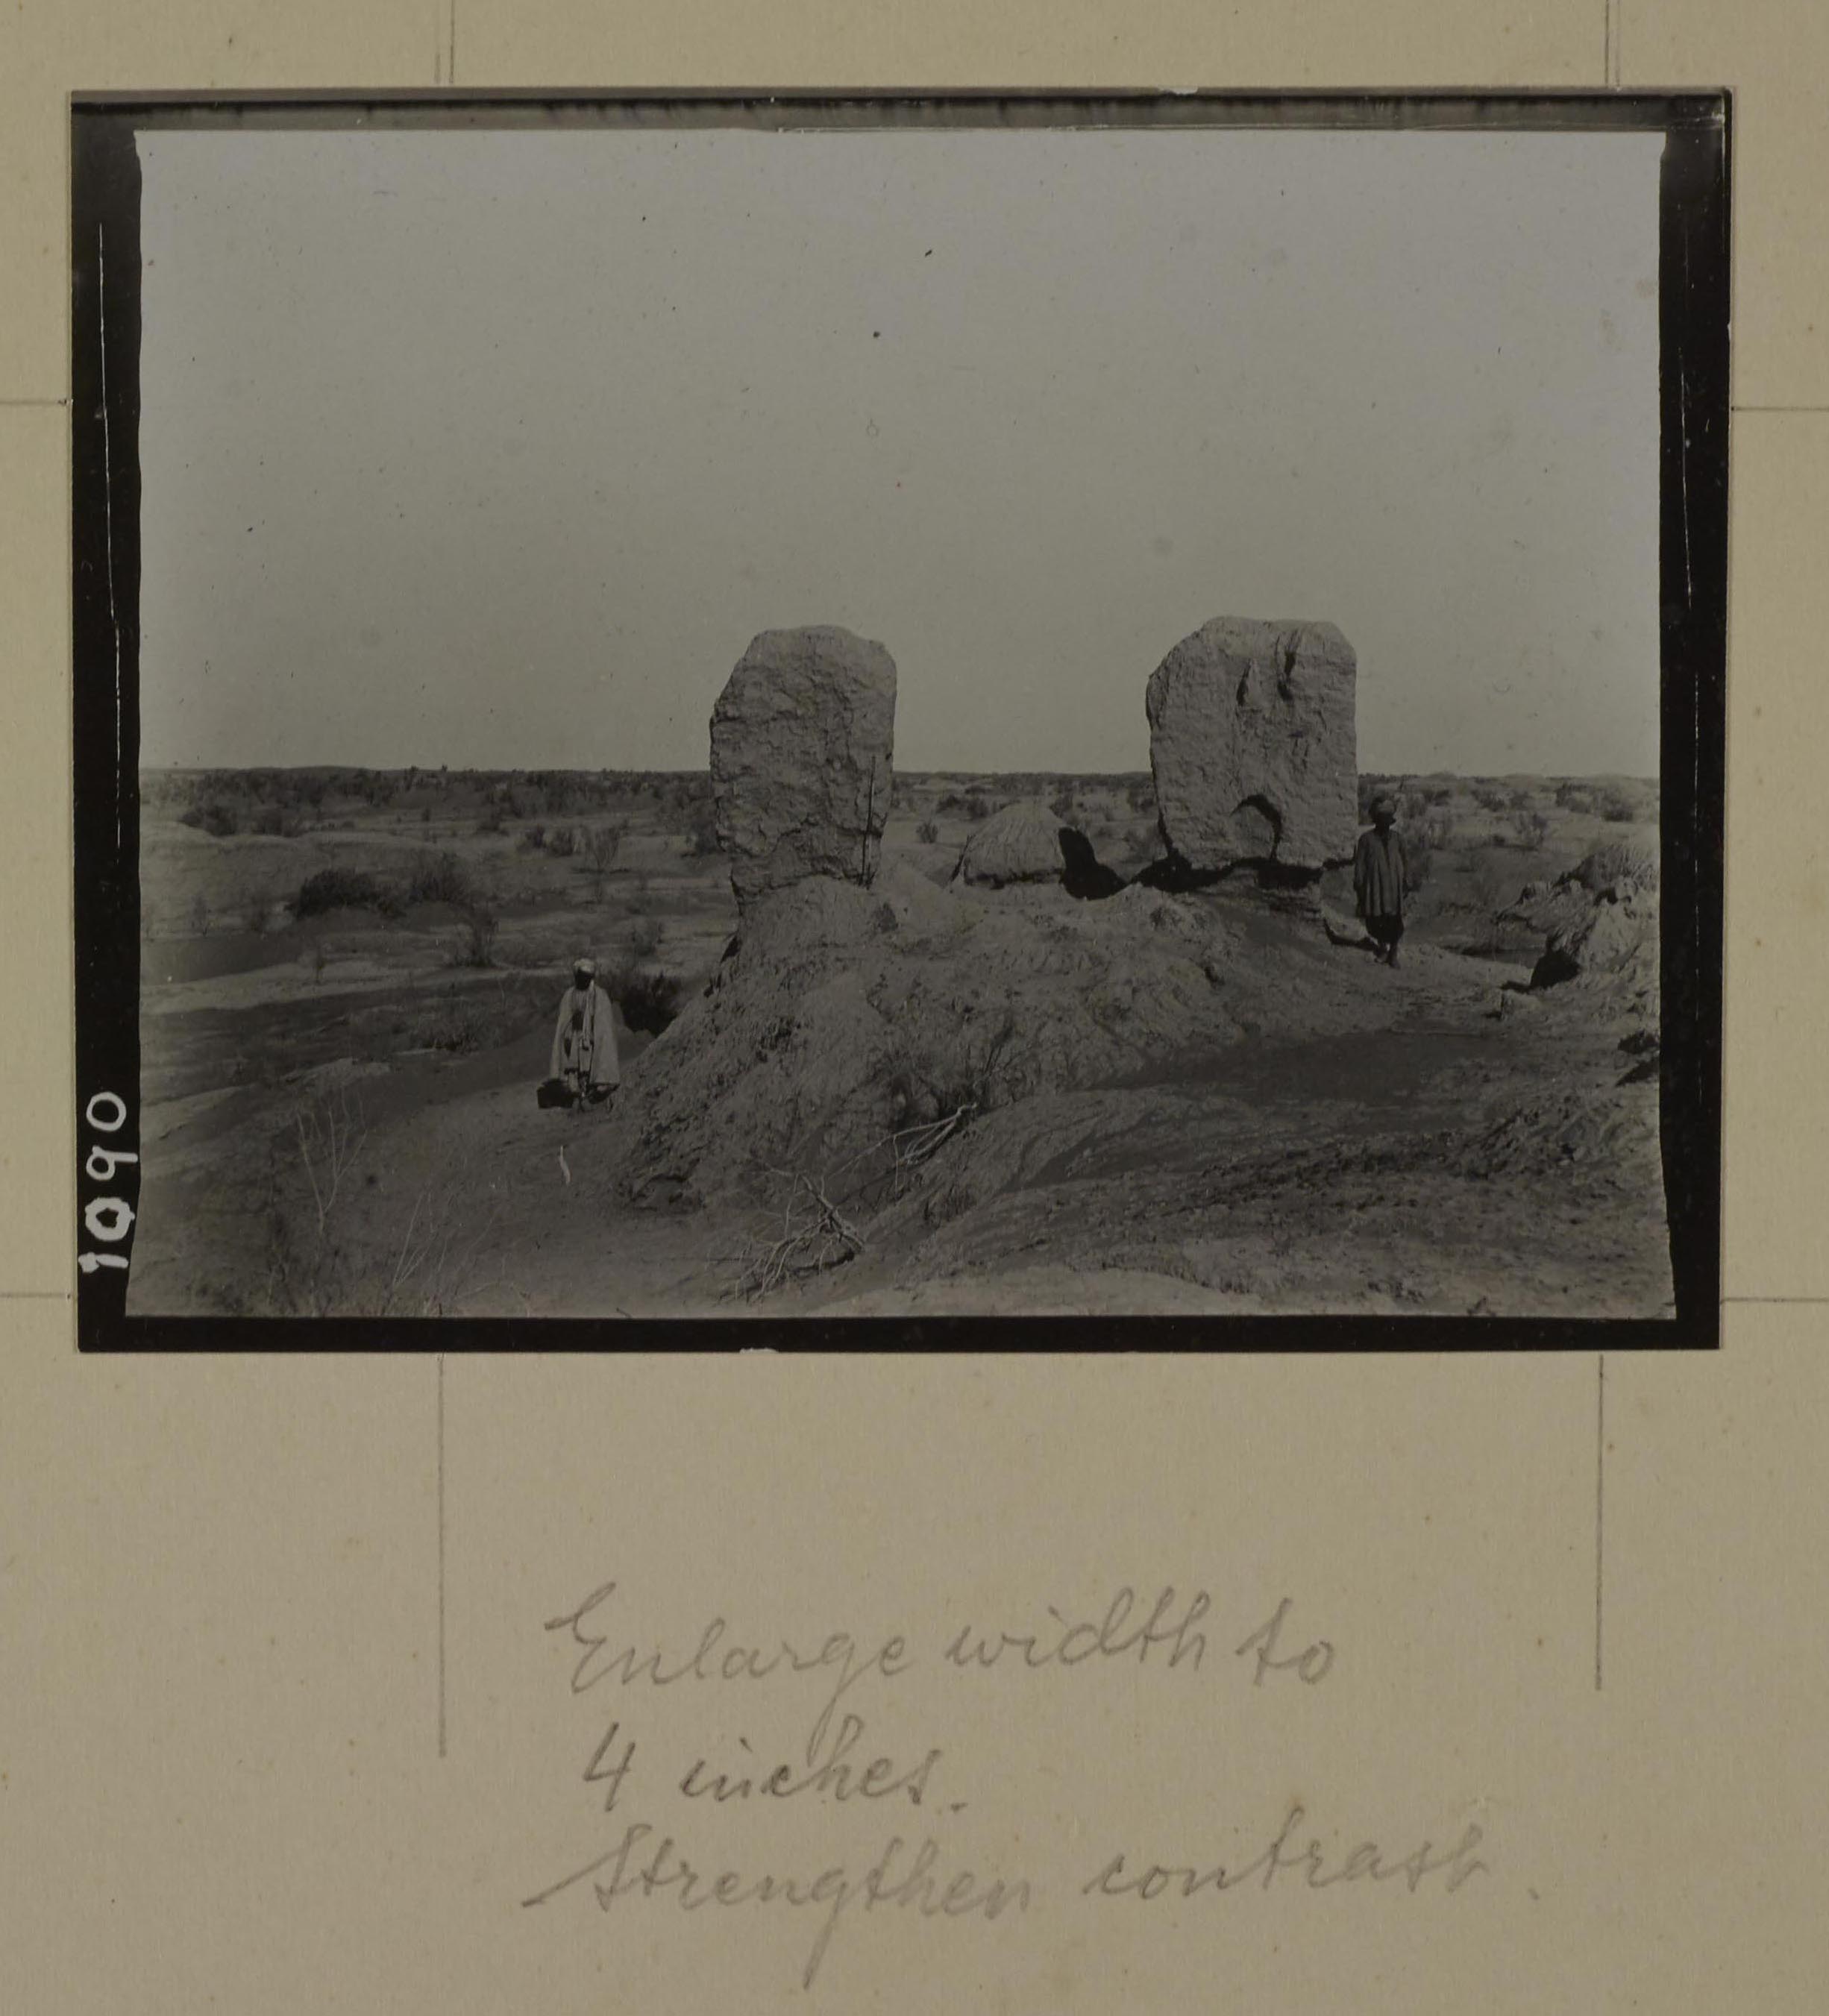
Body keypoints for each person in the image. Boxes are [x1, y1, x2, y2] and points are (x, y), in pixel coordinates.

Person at [550, 957, 621, 1106]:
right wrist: (567, 1036)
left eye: (586, 977)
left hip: (591, 1037)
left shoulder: (599, 995)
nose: (583, 979)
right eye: (581, 976)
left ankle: (591, 1093)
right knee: (574, 1068)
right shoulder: (570, 995)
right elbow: (564, 1020)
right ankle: (578, 1095)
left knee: (590, 1065)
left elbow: (604, 1025)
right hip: (574, 1036)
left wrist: (593, 1035)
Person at [1352, 794, 1410, 968]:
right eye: (1381, 818)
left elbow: (1405, 861)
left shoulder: (1398, 839)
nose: (1384, 821)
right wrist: (1360, 887)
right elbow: (1360, 865)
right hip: (1375, 890)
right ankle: (1382, 948)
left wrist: (1406, 882)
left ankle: (1393, 953)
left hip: (1394, 889)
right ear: (1376, 819)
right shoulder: (1366, 840)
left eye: (1387, 818)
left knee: (1395, 922)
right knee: (1376, 921)